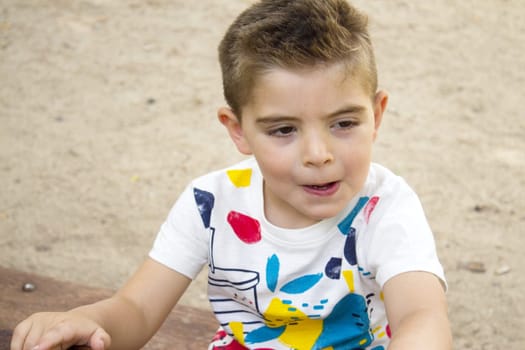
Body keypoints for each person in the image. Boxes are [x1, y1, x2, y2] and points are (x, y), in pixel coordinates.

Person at [10, 0, 452, 349]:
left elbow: (421, 318)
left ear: (376, 115)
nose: (319, 155)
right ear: (238, 130)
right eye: (283, 129)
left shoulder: (386, 207)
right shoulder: (210, 203)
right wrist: (86, 320)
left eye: (344, 123)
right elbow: (136, 311)